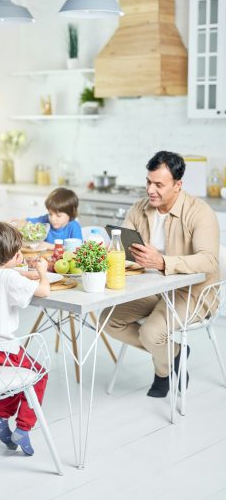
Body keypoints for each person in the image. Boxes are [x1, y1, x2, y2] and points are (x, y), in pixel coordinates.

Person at [99, 151, 219, 398]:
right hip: (151, 288)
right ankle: (174, 352)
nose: (150, 190)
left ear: (178, 185)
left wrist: (163, 261)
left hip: (193, 292)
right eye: (148, 182)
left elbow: (209, 260)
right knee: (108, 320)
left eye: (159, 185)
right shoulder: (139, 208)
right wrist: (111, 250)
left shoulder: (200, 212)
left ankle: (163, 372)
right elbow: (124, 247)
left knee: (151, 333)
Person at [0, 221, 50, 456]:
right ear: (8, 257)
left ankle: (1, 422)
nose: (21, 255)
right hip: (2, 349)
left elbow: (5, 274)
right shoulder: (8, 279)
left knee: (18, 376)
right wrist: (42, 273)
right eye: (17, 253)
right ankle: (23, 428)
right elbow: (44, 291)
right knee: (38, 374)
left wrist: (21, 270)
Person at [16, 187, 83, 249]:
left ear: (70, 213)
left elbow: (77, 249)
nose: (53, 219)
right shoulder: (45, 220)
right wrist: (24, 235)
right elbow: (23, 221)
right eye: (50, 214)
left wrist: (50, 246)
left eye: (58, 216)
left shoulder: (74, 226)